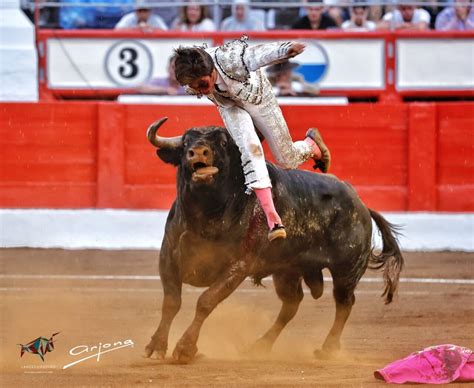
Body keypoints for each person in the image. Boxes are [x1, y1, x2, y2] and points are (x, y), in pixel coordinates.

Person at [172, 37, 331, 241]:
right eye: (194, 88)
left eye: (202, 84)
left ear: (211, 70)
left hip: (260, 101)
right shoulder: (192, 79)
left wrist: (284, 49)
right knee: (250, 149)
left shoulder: (229, 59)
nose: (201, 91)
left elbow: (256, 55)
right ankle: (273, 220)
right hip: (230, 106)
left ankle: (311, 146)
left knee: (287, 159)